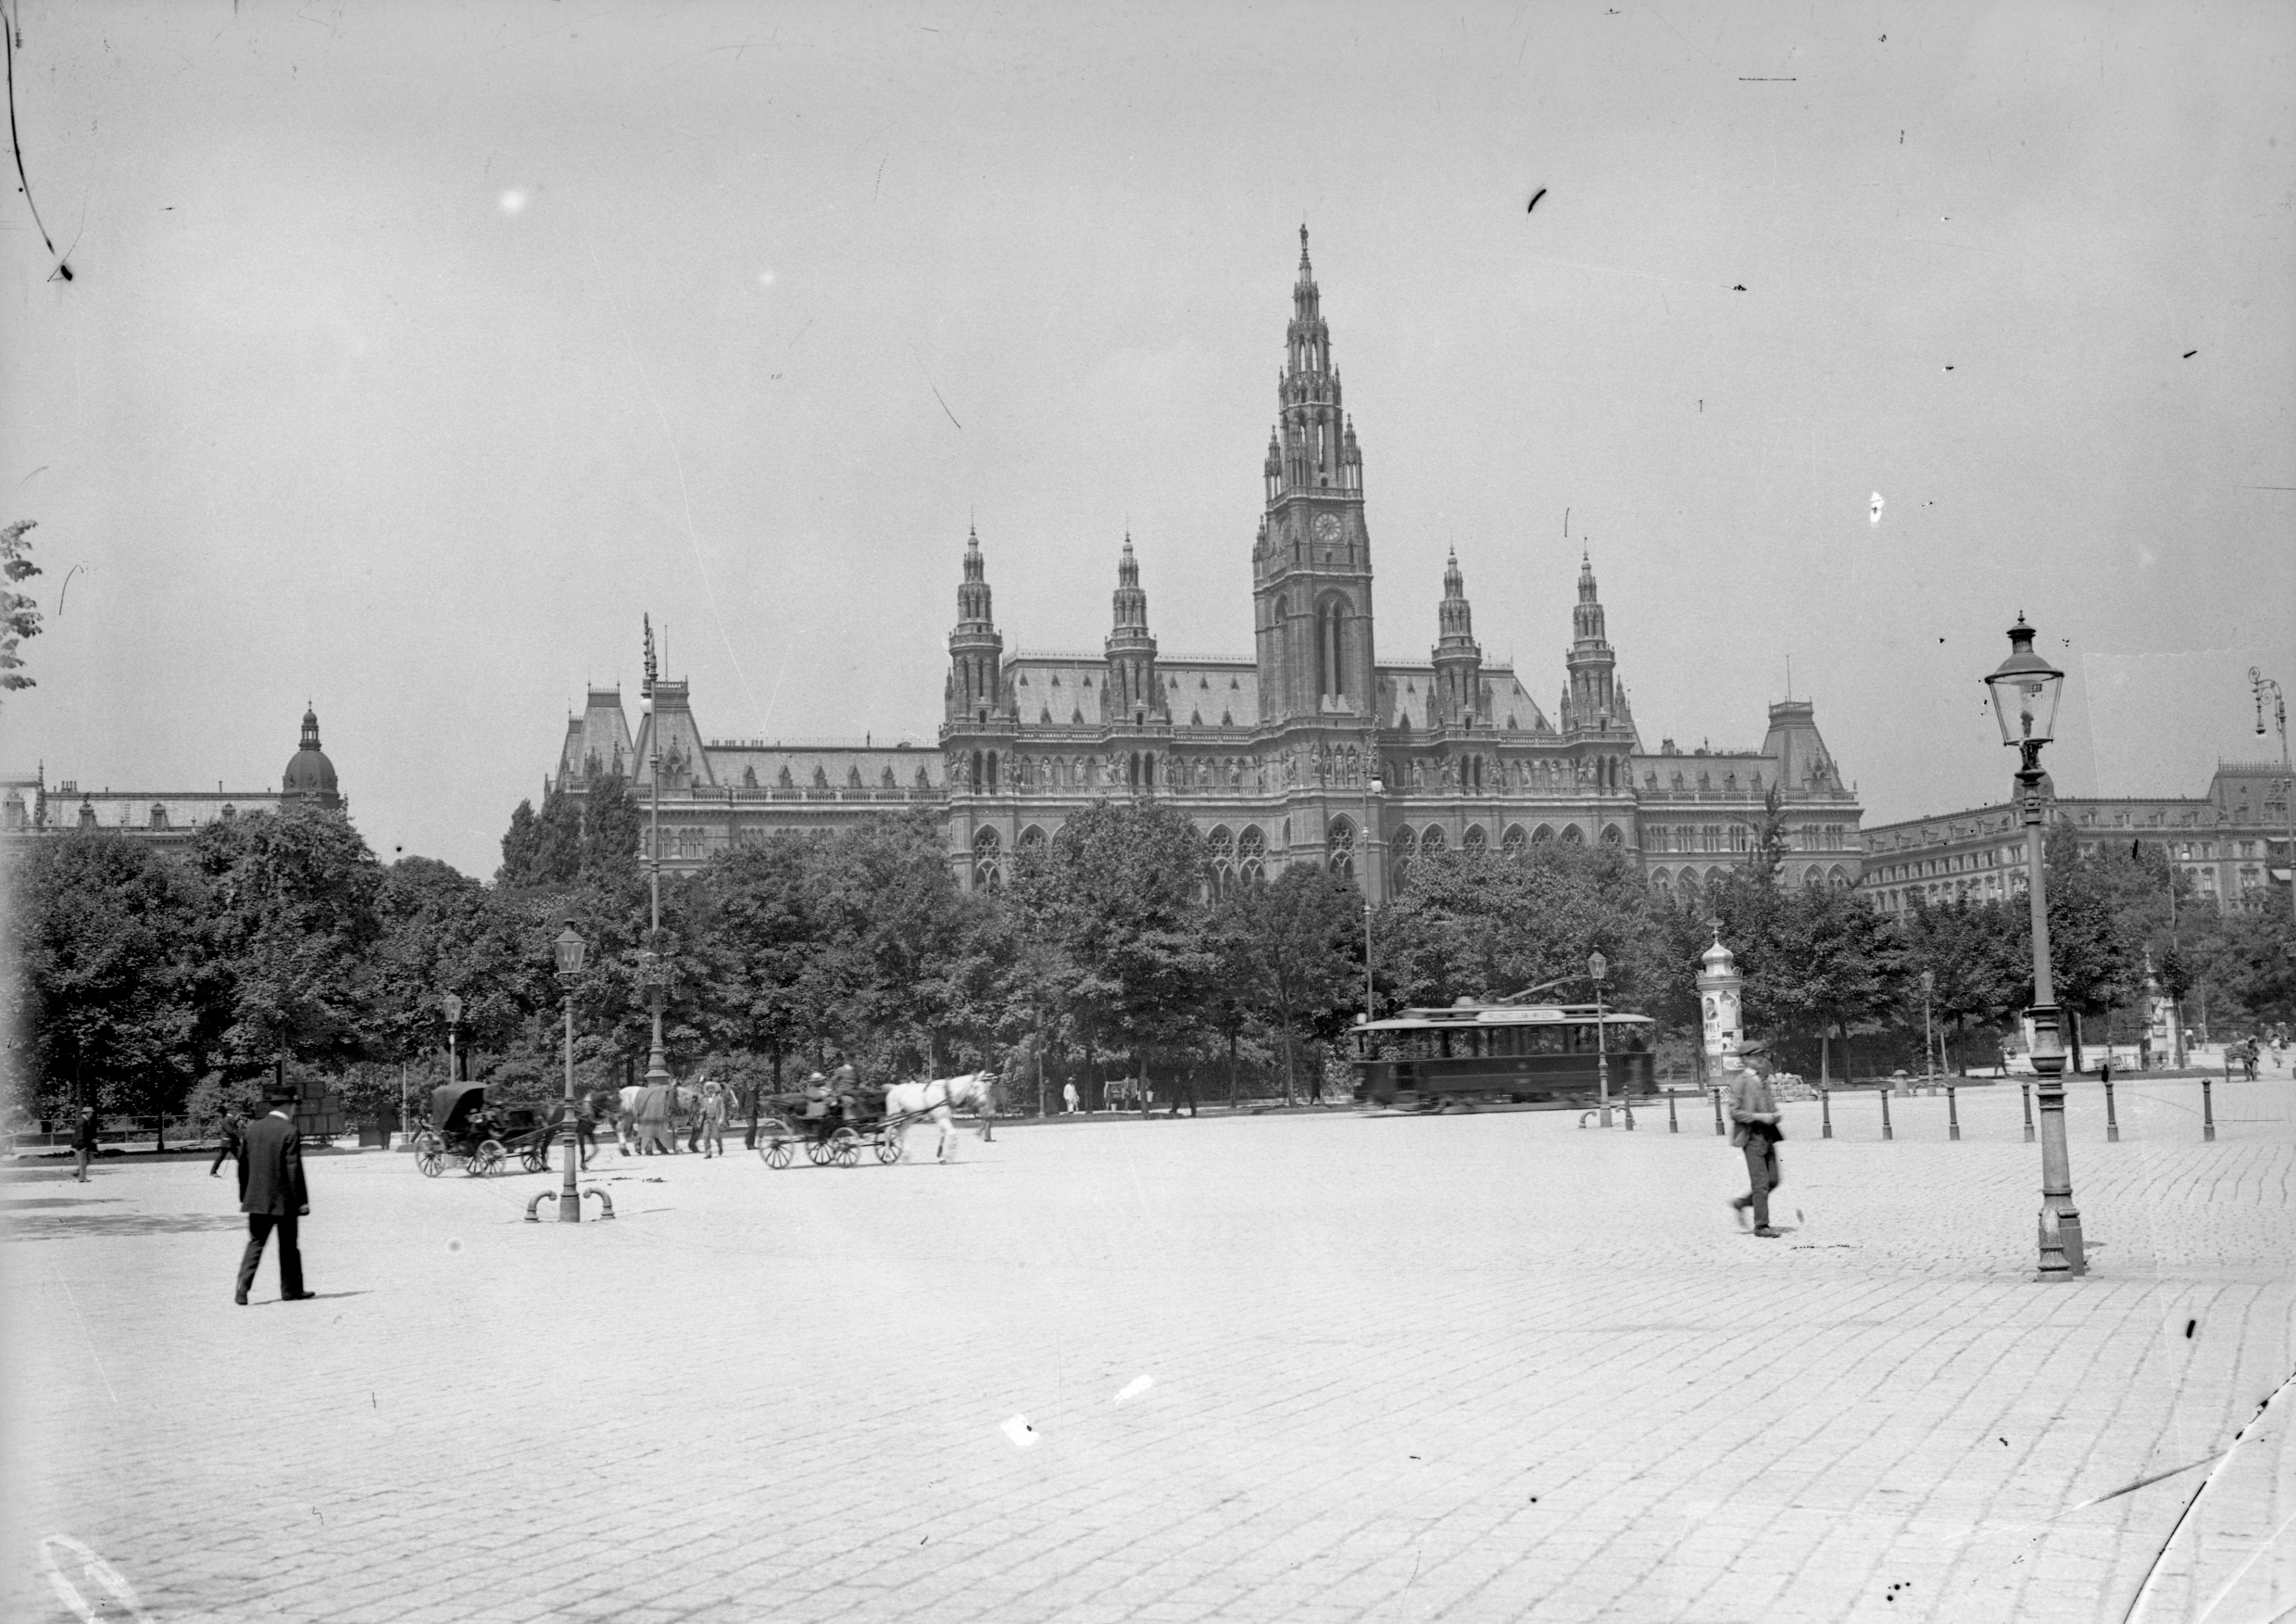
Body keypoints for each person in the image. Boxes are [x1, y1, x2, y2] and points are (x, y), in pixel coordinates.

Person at [234, 1091, 312, 1304]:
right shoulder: (289, 1130)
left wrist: (245, 1195)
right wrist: (301, 1201)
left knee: (256, 1242)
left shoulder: (253, 1128)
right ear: (288, 1105)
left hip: (256, 1199)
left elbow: (243, 1165)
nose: (295, 1110)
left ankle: (242, 1287)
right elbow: (293, 1170)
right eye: (294, 1106)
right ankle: (291, 1290)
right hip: (284, 1200)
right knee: (288, 1246)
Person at [1725, 1047, 1784, 1239]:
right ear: (1745, 1059)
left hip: (1768, 1136)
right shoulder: (1741, 1082)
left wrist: (1774, 1114)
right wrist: (1758, 1116)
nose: (1760, 1059)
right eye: (1756, 1056)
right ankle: (1761, 1226)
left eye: (1762, 1055)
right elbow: (1734, 1111)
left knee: (1773, 1180)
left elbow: (1770, 1105)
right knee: (1760, 1183)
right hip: (1751, 1137)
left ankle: (1742, 1203)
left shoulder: (1763, 1079)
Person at [208, 1107, 245, 1177]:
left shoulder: (230, 1119)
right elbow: (230, 1131)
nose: (236, 1113)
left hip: (231, 1142)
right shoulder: (226, 1119)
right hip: (227, 1142)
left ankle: (213, 1172)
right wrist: (237, 1134)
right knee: (223, 1157)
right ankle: (213, 1172)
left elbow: (233, 1130)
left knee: (238, 1157)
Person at [696, 1079, 727, 1158]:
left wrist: (721, 1119)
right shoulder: (704, 1100)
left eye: (711, 1088)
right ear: (706, 1091)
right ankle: (708, 1153)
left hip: (715, 1120)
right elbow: (701, 1110)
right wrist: (701, 1115)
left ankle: (720, 1146)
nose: (710, 1090)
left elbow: (722, 1109)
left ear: (714, 1090)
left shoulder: (719, 1099)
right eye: (708, 1089)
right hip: (706, 1120)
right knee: (705, 1136)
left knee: (717, 1136)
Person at [69, 1106, 99, 1183]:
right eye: (91, 1112)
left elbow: (86, 1134)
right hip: (81, 1144)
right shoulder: (82, 1121)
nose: (92, 1114)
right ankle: (82, 1178)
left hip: (84, 1143)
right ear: (87, 1113)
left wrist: (93, 1140)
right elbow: (80, 1135)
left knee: (89, 1158)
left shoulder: (84, 1120)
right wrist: (82, 1146)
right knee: (83, 1161)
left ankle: (78, 1173)